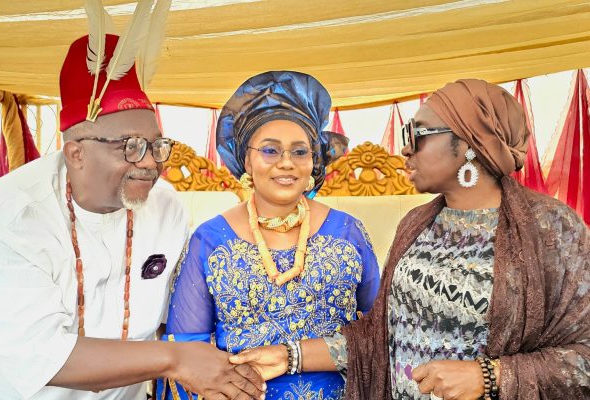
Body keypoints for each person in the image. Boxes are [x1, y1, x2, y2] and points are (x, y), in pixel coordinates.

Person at [229, 79, 590, 400]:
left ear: (468, 142)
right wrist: (290, 355)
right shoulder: (417, 224)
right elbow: (378, 338)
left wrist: (489, 376)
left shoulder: (551, 229)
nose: (405, 149)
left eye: (416, 134)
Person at [0, 34, 264, 400]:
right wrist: (176, 359)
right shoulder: (11, 217)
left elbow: (185, 309)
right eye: (131, 147)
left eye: (157, 146)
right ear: (76, 154)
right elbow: (42, 356)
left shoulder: (165, 206)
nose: (150, 162)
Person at [158, 71, 380, 400]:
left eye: (300, 152)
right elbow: (187, 349)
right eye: (270, 151)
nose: (286, 163)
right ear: (246, 160)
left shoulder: (349, 233)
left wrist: (298, 356)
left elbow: (380, 333)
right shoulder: (210, 239)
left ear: (313, 161)